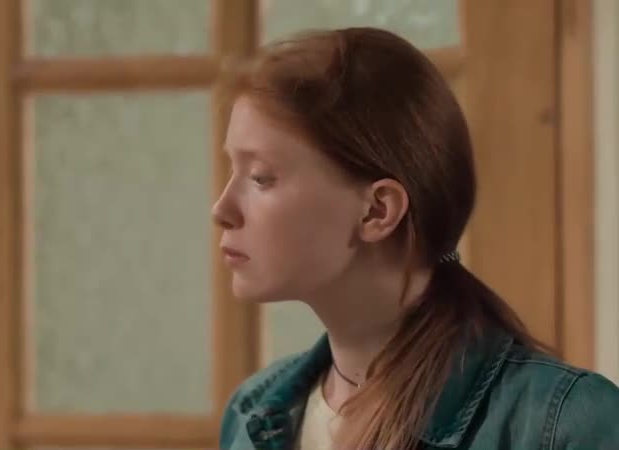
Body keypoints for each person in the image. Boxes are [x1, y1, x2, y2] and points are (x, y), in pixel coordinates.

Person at [212, 27, 619, 450]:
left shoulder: (567, 425)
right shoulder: (252, 412)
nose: (221, 209)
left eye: (260, 177)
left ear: (378, 210)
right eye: (233, 170)